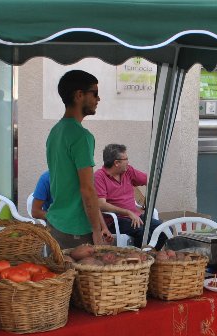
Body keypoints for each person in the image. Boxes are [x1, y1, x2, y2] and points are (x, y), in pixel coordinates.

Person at [45, 70, 114, 248]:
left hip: (56, 222)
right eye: (95, 93)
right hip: (76, 229)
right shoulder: (81, 136)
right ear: (79, 95)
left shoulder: (56, 131)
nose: (98, 99)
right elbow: (87, 189)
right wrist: (97, 231)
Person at [95, 144, 162, 245]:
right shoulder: (99, 177)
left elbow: (151, 180)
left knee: (164, 230)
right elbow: (101, 205)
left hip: (135, 216)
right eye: (126, 159)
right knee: (143, 233)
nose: (128, 162)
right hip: (116, 220)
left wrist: (147, 199)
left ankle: (154, 256)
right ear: (117, 163)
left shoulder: (128, 171)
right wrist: (127, 212)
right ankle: (141, 258)